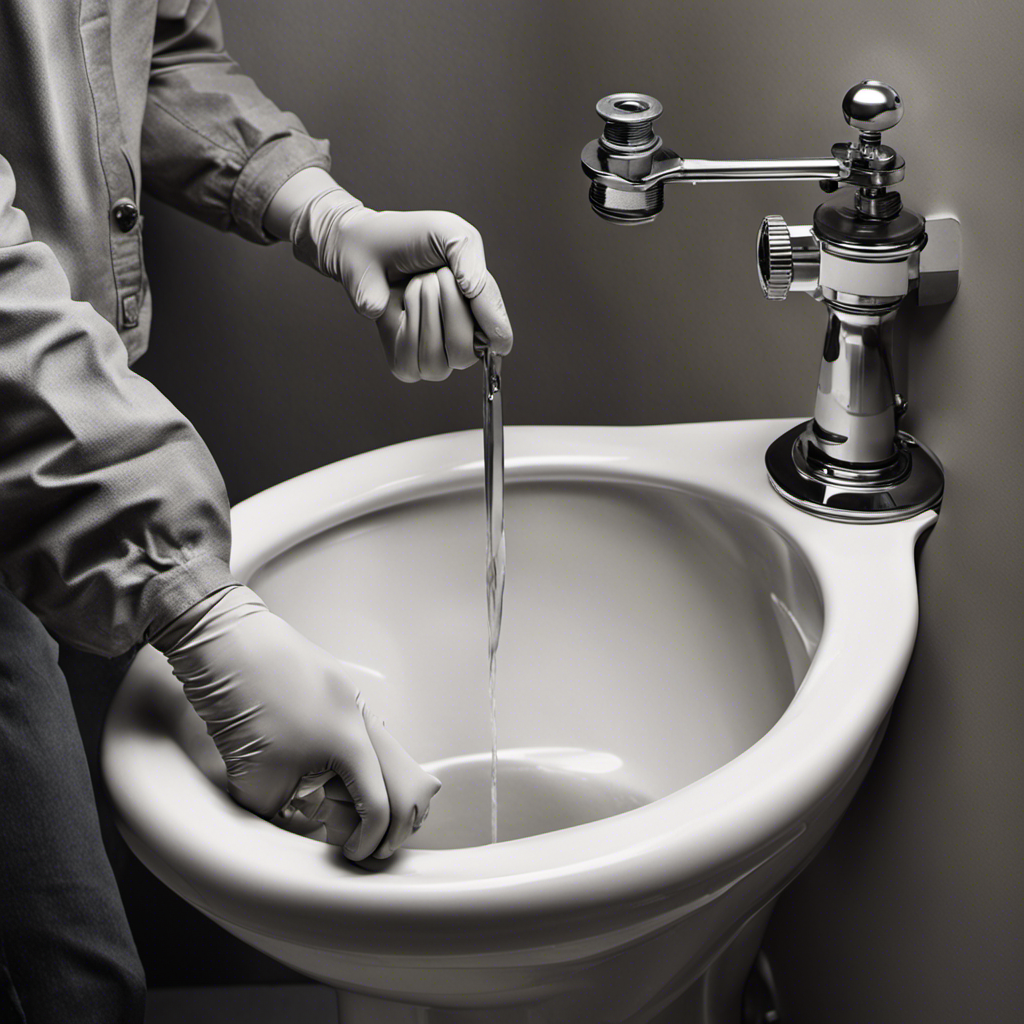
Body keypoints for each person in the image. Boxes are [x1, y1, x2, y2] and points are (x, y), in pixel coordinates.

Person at [0, 1, 513, 1021]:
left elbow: (138, 42)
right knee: (68, 986)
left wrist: (317, 206)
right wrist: (196, 604)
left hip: (41, 437)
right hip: (39, 420)